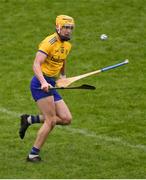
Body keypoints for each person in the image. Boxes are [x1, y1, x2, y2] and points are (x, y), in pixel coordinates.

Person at [19, 15, 75, 162]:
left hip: (51, 82)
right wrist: (43, 82)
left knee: (66, 119)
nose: (69, 31)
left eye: (71, 28)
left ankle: (29, 119)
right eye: (65, 27)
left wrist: (63, 76)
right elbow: (36, 64)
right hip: (39, 83)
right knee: (51, 121)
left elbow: (62, 59)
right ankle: (33, 154)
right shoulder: (48, 42)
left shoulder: (67, 45)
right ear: (58, 27)